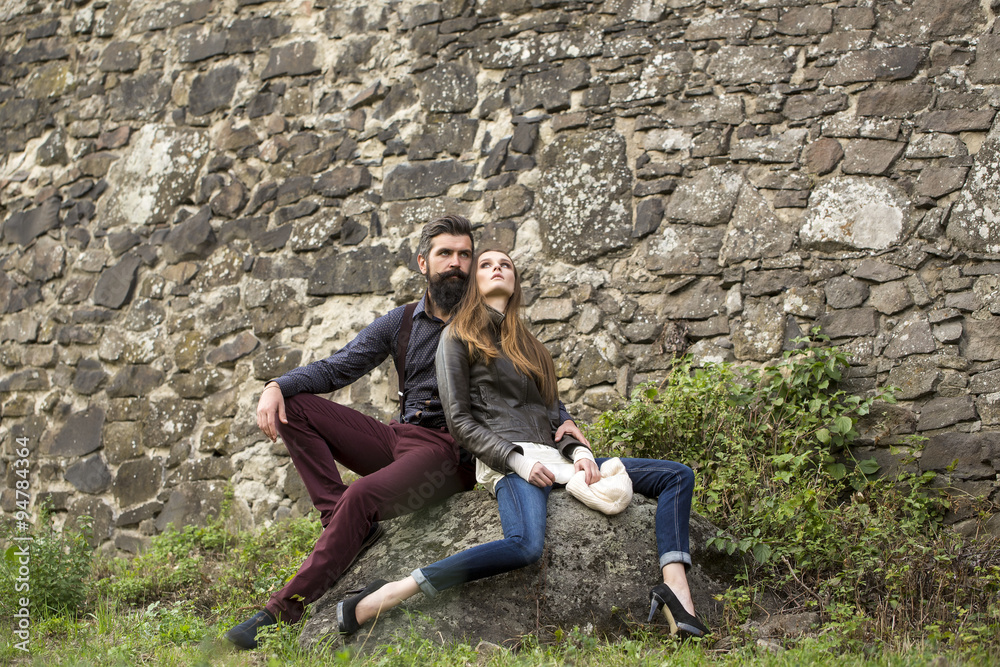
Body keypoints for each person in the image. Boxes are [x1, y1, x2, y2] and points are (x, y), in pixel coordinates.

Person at [224, 217, 588, 650]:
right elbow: (339, 366)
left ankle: (280, 610)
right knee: (295, 406)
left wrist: (562, 419)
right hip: (399, 437)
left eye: (465, 255)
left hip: (447, 451)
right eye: (445, 254)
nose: (457, 264)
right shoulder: (401, 323)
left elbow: (527, 386)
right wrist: (275, 386)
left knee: (360, 497)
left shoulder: (489, 322)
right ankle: (337, 521)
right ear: (422, 262)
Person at [335, 249, 709, 639]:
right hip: (510, 459)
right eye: (486, 264)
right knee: (524, 546)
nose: (497, 268)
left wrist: (580, 453)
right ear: (474, 284)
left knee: (676, 477)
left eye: (506, 265)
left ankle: (676, 593)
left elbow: (555, 415)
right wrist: (516, 461)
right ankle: (391, 593)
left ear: (514, 283)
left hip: (554, 458)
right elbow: (459, 421)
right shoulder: (456, 336)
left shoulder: (532, 347)